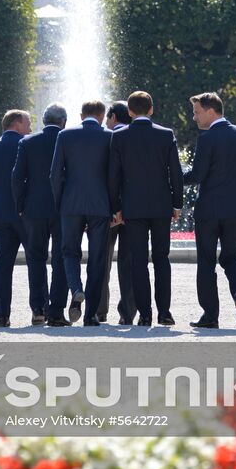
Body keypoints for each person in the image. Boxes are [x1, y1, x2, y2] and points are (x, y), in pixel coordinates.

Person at [108, 90, 183, 326]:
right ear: (151, 109)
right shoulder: (165, 135)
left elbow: (114, 177)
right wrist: (177, 203)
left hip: (133, 206)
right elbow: (176, 174)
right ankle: (165, 312)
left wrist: (116, 206)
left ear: (129, 112)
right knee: (162, 259)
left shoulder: (119, 137)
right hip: (161, 205)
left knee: (138, 261)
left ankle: (145, 313)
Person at [183, 92, 236, 330]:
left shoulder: (207, 138)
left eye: (197, 112)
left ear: (210, 110)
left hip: (209, 210)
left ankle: (210, 315)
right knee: (233, 257)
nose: (194, 117)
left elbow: (197, 175)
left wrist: (172, 179)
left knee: (206, 262)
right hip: (235, 208)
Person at [50, 100, 115, 326]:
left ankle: (76, 289)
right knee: (97, 259)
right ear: (102, 115)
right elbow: (113, 176)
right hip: (100, 206)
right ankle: (90, 315)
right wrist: (114, 206)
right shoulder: (109, 137)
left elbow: (55, 174)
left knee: (69, 252)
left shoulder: (65, 136)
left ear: (81, 115)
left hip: (71, 205)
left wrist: (60, 203)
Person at [12, 103, 70, 327]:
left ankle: (38, 309)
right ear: (63, 121)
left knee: (36, 259)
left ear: (44, 121)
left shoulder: (27, 142)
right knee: (61, 259)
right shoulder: (68, 139)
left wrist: (20, 206)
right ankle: (56, 311)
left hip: (33, 210)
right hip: (63, 209)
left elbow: (17, 178)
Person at [0, 109, 32, 328]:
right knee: (35, 263)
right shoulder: (28, 145)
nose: (30, 127)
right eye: (28, 123)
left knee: (2, 266)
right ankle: (39, 310)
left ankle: (2, 314)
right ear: (17, 123)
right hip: (27, 214)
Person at [97, 102, 137, 325]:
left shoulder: (107, 138)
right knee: (129, 262)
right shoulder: (136, 138)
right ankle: (127, 312)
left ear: (112, 116)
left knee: (102, 261)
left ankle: (100, 310)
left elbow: (108, 176)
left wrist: (114, 209)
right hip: (134, 210)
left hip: (108, 210)